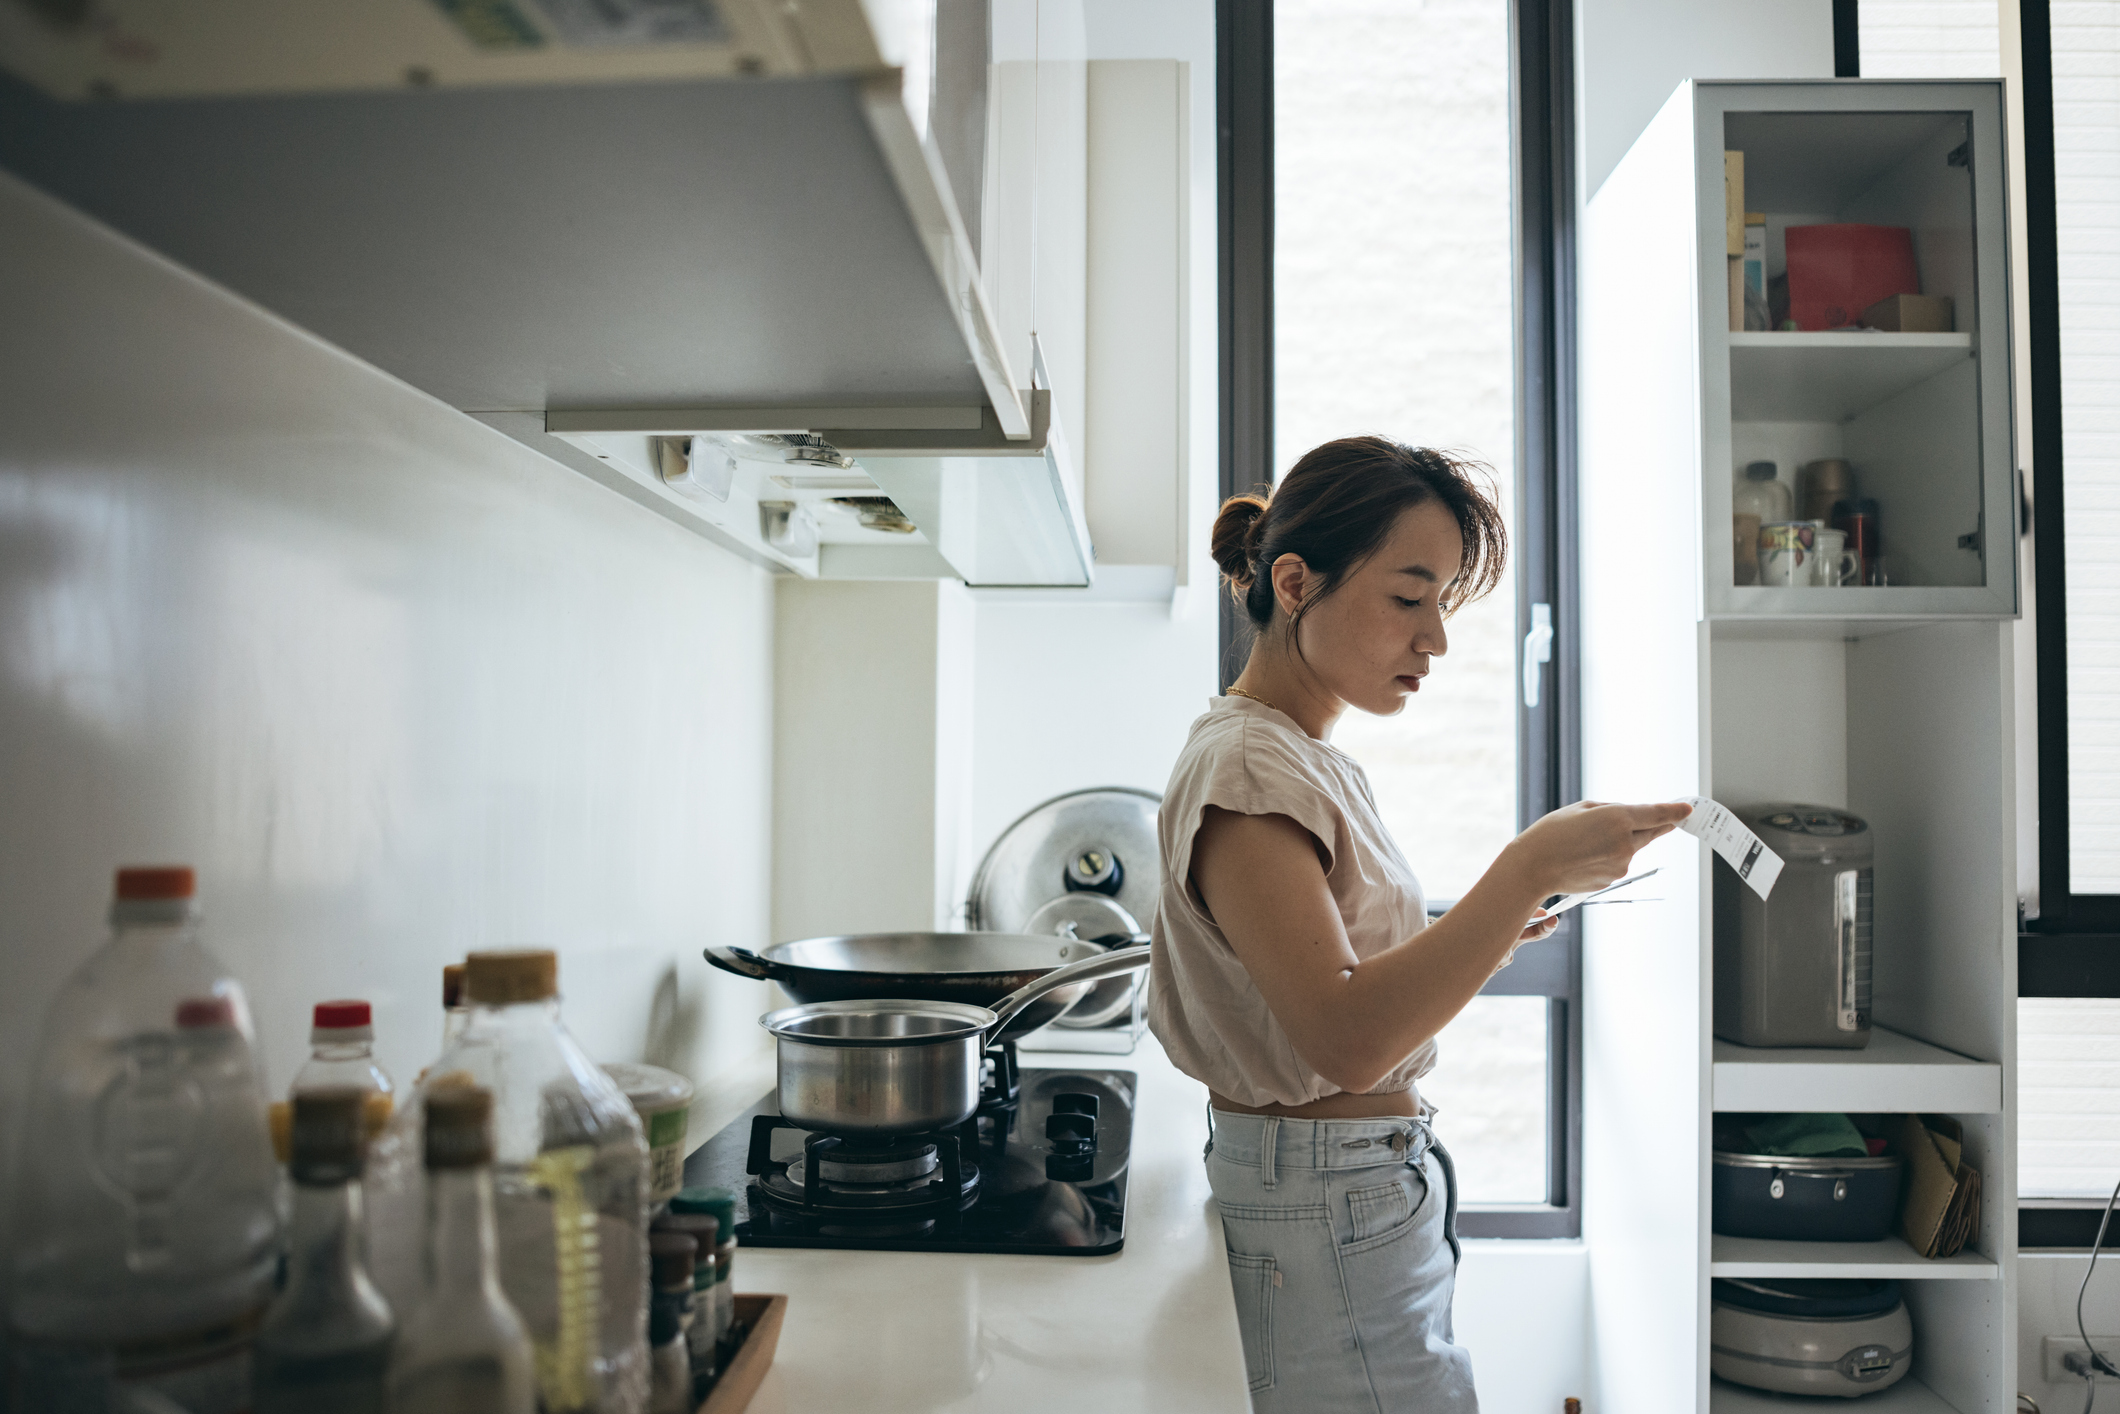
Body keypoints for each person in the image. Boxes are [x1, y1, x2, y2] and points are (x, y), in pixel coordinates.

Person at [1149, 436, 1689, 1412]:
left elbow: (1338, 979)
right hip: (1322, 1201)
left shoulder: (1296, 757)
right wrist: (1522, 868)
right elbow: (1346, 1037)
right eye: (1409, 597)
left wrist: (1493, 919)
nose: (1433, 638)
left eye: (1440, 602)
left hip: (1342, 1195)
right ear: (1293, 582)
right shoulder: (1249, 769)